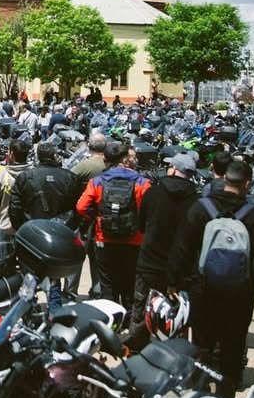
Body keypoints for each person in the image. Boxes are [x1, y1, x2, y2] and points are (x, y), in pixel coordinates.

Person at [171, 157, 254, 398]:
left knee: (202, 341)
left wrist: (173, 281)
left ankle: (199, 389)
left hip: (203, 288)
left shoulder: (201, 208)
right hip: (240, 293)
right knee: (233, 342)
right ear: (247, 183)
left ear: (224, 179)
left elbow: (182, 248)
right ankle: (227, 391)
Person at [125, 151, 199, 352]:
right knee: (178, 314)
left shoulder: (153, 193)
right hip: (181, 268)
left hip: (149, 262)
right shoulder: (197, 200)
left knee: (141, 308)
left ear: (173, 169)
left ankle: (135, 351)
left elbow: (141, 225)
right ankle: (173, 354)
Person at [75, 138, 150, 310]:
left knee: (107, 283)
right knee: (129, 283)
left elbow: (81, 207)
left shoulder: (97, 181)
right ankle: (129, 317)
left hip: (104, 238)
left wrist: (97, 216)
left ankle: (112, 318)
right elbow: (149, 210)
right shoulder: (142, 183)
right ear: (125, 160)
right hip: (134, 240)